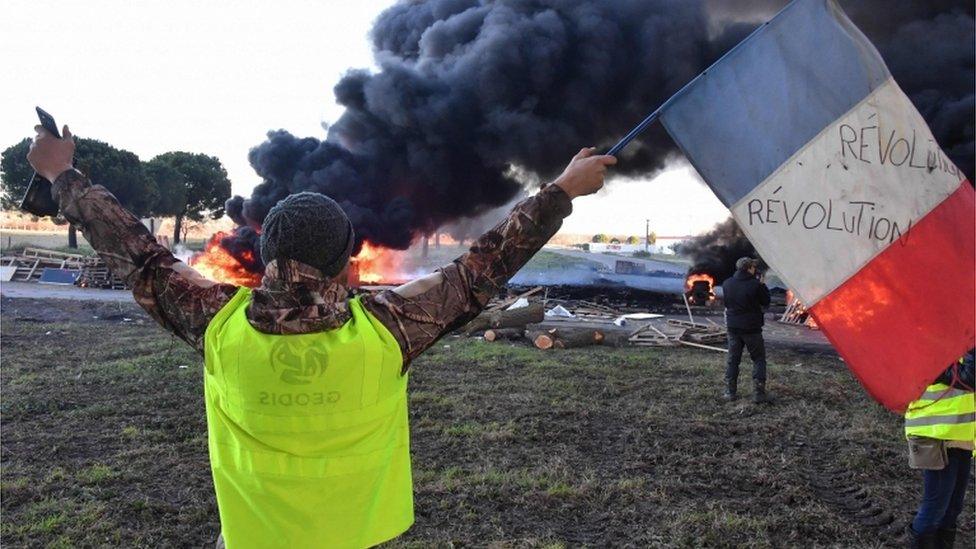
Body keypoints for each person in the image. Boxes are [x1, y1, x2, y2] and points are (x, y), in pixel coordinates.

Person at [26, 124, 617, 548]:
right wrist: (560, 190)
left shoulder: (217, 323)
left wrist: (60, 174)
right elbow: (479, 269)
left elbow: (139, 254)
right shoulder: (389, 329)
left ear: (265, 257)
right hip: (360, 535)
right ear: (346, 264)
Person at [904, 349, 974, 549]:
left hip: (961, 433)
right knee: (935, 509)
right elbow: (969, 378)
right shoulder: (931, 341)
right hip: (937, 434)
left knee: (952, 509)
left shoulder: (960, 338)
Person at [721, 257, 771, 403]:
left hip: (733, 327)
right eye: (753, 267)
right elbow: (766, 301)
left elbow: (728, 303)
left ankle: (730, 393)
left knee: (733, 360)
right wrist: (762, 285)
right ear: (750, 268)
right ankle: (758, 394)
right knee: (758, 359)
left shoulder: (727, 283)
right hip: (751, 329)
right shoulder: (755, 285)